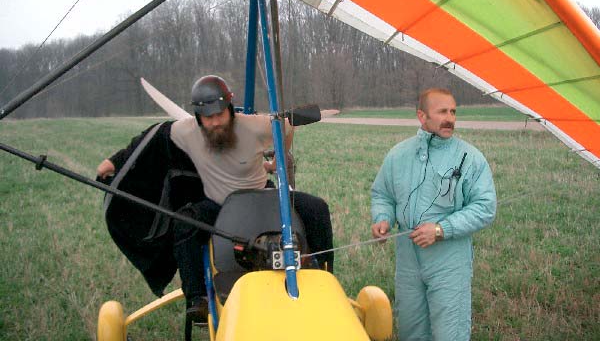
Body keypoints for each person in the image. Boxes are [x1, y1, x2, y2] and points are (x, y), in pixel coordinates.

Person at [97, 75, 333, 322]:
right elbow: (150, 139)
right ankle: (197, 299)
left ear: (229, 109)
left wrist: (278, 160)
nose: (216, 122)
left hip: (260, 196)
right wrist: (114, 161)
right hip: (218, 205)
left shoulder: (253, 125)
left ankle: (324, 277)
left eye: (220, 114)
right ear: (198, 117)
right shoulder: (185, 131)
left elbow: (285, 126)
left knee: (317, 209)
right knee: (185, 222)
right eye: (209, 117)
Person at [370, 88, 496, 341]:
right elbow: (383, 194)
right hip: (408, 260)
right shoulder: (398, 155)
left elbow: (485, 207)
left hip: (449, 259)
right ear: (422, 116)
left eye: (453, 111)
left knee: (450, 331)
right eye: (442, 112)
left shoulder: (469, 158)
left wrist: (441, 230)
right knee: (411, 328)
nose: (450, 118)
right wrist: (382, 219)